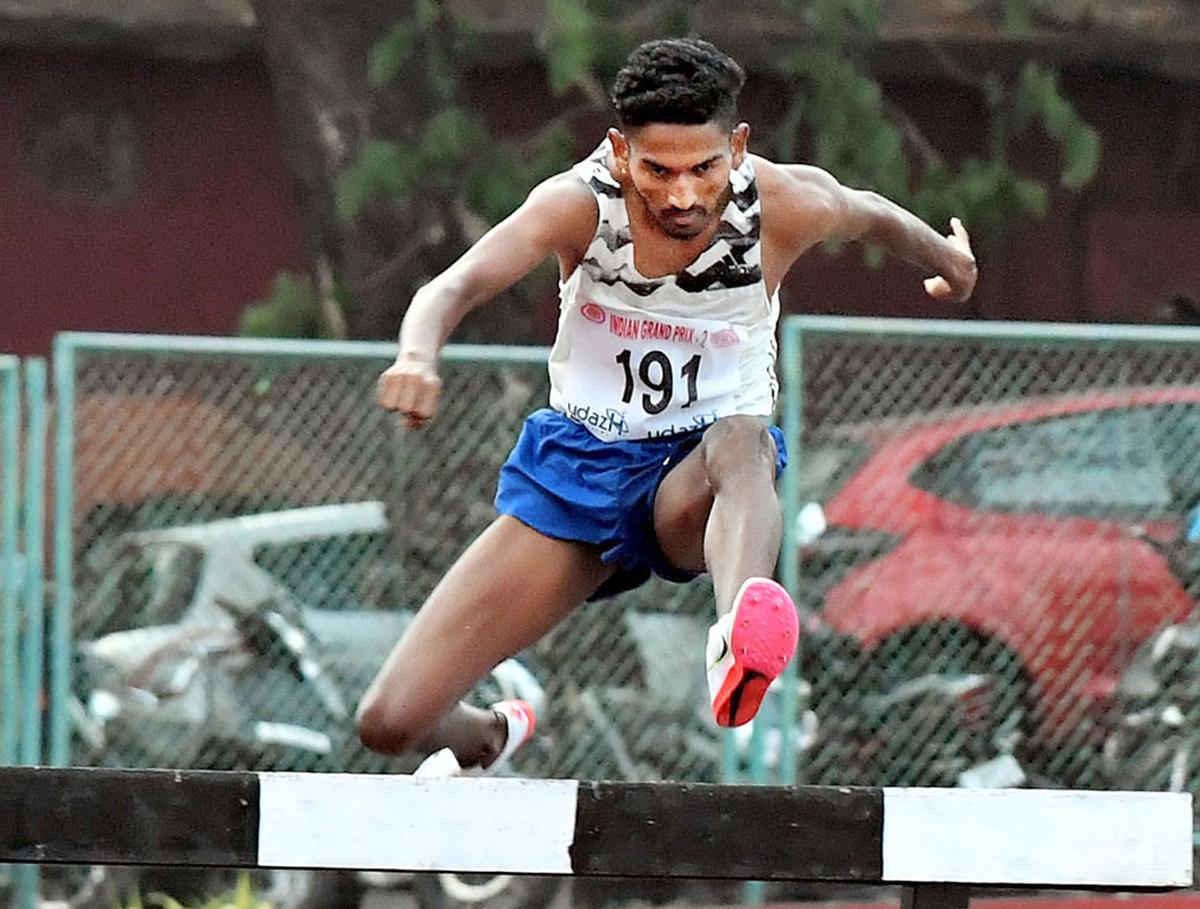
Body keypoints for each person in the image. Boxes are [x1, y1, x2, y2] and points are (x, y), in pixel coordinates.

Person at [355, 37, 976, 774]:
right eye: (658, 172)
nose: (683, 196)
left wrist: (950, 262)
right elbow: (451, 286)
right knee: (389, 722)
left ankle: (737, 635)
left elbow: (869, 213)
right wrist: (418, 355)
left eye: (704, 170)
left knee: (743, 440)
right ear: (620, 152)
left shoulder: (781, 205)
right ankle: (491, 735)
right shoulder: (576, 206)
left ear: (737, 148)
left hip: (696, 484)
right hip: (582, 474)